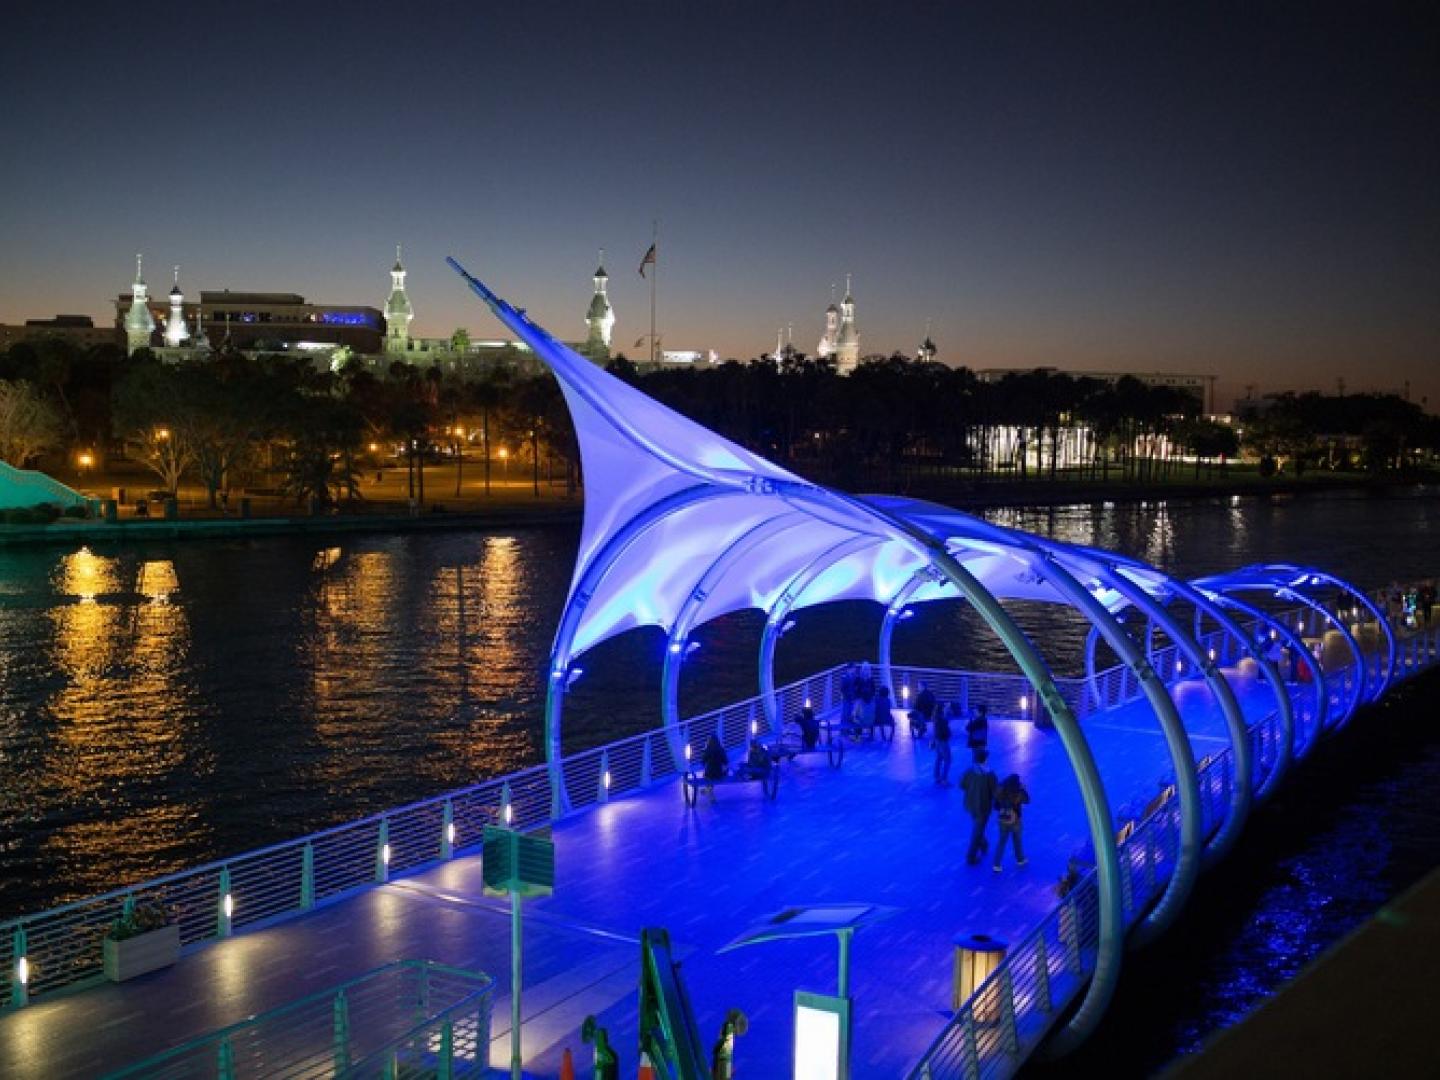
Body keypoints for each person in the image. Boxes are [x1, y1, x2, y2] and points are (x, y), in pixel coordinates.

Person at [960, 749, 997, 865]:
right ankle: (971, 856)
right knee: (977, 831)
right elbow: (995, 792)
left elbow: (962, 785)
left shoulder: (969, 771)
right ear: (985, 759)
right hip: (983, 807)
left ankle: (984, 845)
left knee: (977, 826)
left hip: (970, 804)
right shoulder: (990, 775)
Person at [992, 773, 1031, 871]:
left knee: (1001, 842)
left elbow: (995, 806)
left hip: (1003, 820)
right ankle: (1020, 860)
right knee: (1017, 841)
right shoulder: (1018, 792)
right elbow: (1027, 800)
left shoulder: (1000, 790)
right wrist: (1024, 789)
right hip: (1015, 821)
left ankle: (996, 865)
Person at [932, 702, 954, 785]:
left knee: (939, 758)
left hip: (938, 740)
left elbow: (948, 720)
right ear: (942, 709)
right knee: (948, 760)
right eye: (945, 707)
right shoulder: (941, 719)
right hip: (942, 741)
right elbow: (945, 729)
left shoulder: (937, 717)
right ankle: (944, 779)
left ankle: (937, 777)